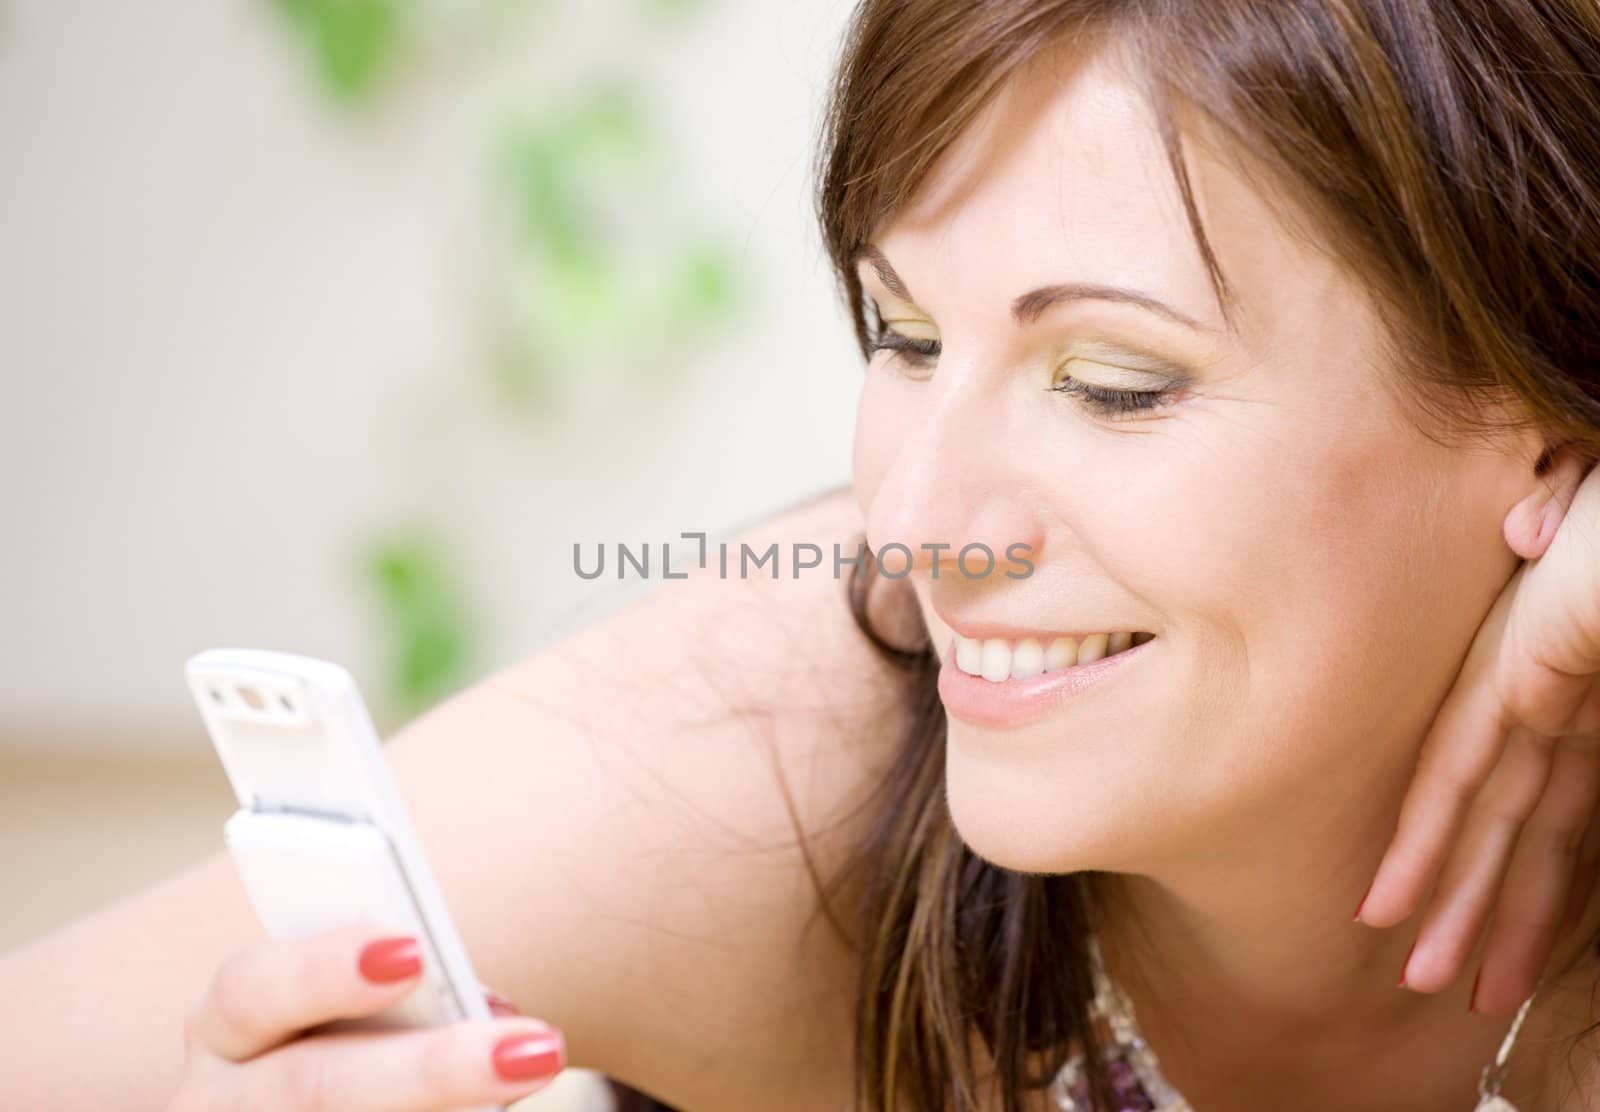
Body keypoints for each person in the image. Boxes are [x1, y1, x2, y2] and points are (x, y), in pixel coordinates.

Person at [6, 1, 1600, 1109]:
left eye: (1115, 383)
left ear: (1545, 437)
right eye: (902, 337)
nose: (911, 524)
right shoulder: (756, 772)